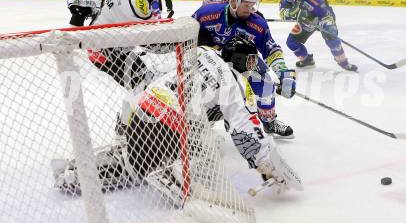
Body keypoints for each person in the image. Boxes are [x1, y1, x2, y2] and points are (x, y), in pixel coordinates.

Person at [52, 38, 303, 201]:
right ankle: (173, 172)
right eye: (250, 60)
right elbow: (244, 129)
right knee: (202, 151)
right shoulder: (234, 82)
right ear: (239, 59)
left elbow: (154, 75)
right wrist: (266, 167)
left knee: (134, 160)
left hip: (143, 110)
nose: (252, 66)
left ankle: (78, 171)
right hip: (170, 129)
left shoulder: (202, 51)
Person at [193, 0, 296, 138]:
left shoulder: (257, 24)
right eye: (246, 4)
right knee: (205, 87)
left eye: (252, 4)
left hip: (243, 59)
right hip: (212, 58)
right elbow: (188, 31)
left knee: (266, 83)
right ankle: (204, 117)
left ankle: (269, 122)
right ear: (233, 1)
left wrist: (283, 73)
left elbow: (272, 50)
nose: (250, 9)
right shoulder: (208, 13)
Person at [280, 0, 358, 71]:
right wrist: (295, 12)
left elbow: (327, 15)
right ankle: (306, 59)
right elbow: (283, 13)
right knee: (291, 42)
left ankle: (343, 62)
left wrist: (327, 28)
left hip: (322, 17)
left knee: (331, 35)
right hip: (305, 21)